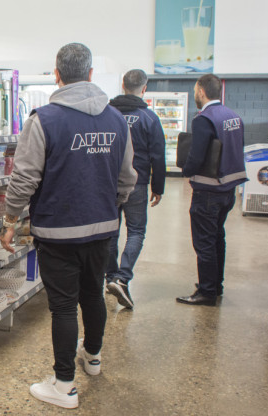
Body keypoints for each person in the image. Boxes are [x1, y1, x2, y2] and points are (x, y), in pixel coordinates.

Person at [0, 42, 137, 409]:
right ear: (90, 75)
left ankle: (63, 385)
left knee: (63, 306)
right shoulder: (116, 120)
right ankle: (92, 357)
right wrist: (113, 206)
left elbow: (24, 179)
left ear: (57, 75)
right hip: (103, 228)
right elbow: (127, 177)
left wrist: (10, 220)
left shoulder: (44, 119)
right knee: (93, 294)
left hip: (58, 232)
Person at [177, 74, 247, 306]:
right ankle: (216, 285)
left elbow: (196, 156)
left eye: (196, 89)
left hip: (208, 191)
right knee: (217, 237)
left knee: (204, 242)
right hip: (228, 190)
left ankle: (206, 292)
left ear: (202, 91)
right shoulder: (233, 116)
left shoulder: (204, 119)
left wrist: (185, 169)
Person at [104, 69, 166, 309]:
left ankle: (110, 277)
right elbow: (158, 156)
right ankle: (122, 276)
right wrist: (158, 187)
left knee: (111, 230)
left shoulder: (108, 114)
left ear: (122, 85)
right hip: (138, 183)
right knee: (137, 231)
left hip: (109, 183)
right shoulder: (149, 118)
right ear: (144, 88)